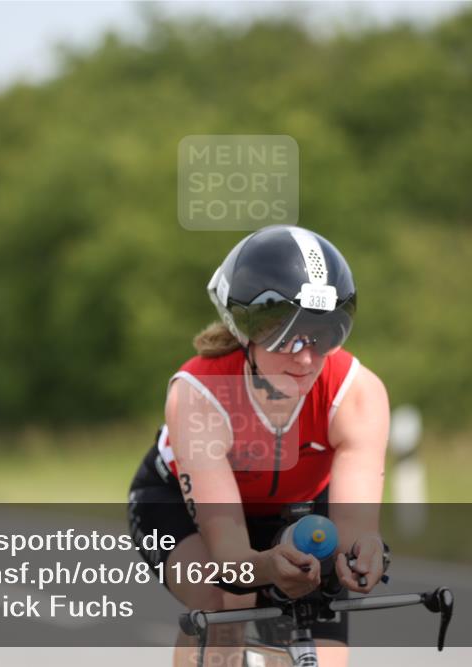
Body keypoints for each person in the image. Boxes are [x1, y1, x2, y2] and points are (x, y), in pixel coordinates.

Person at [128, 225, 390, 666]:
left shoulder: (356, 392)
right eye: (287, 336)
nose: (306, 358)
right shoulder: (199, 395)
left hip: (301, 506)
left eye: (325, 335)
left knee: (324, 653)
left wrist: (362, 553)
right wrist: (268, 570)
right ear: (246, 331)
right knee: (223, 609)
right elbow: (230, 555)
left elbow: (355, 530)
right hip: (177, 504)